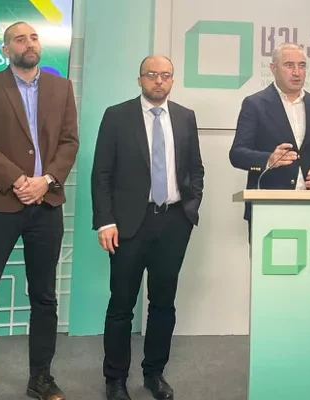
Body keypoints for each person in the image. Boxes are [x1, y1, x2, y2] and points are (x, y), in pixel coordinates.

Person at [0, 21, 78, 400]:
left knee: (44, 297)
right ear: (6, 49)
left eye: (34, 37)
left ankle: (40, 378)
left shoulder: (62, 87)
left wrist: (47, 180)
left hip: (47, 204)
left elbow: (69, 142)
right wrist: (17, 180)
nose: (29, 43)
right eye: (20, 38)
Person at [90, 55, 204, 400]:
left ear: (172, 80)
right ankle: (115, 379)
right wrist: (105, 221)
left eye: (165, 75)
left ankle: (154, 374)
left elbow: (195, 168)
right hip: (127, 225)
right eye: (152, 74)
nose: (159, 80)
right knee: (121, 305)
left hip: (173, 222)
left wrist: (190, 209)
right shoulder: (117, 116)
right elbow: (102, 173)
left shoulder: (185, 116)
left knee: (163, 303)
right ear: (139, 79)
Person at [229, 42, 310, 238]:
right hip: (269, 205)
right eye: (289, 65)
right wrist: (269, 159)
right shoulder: (255, 104)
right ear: (273, 68)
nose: (297, 72)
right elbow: (237, 154)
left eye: (302, 65)